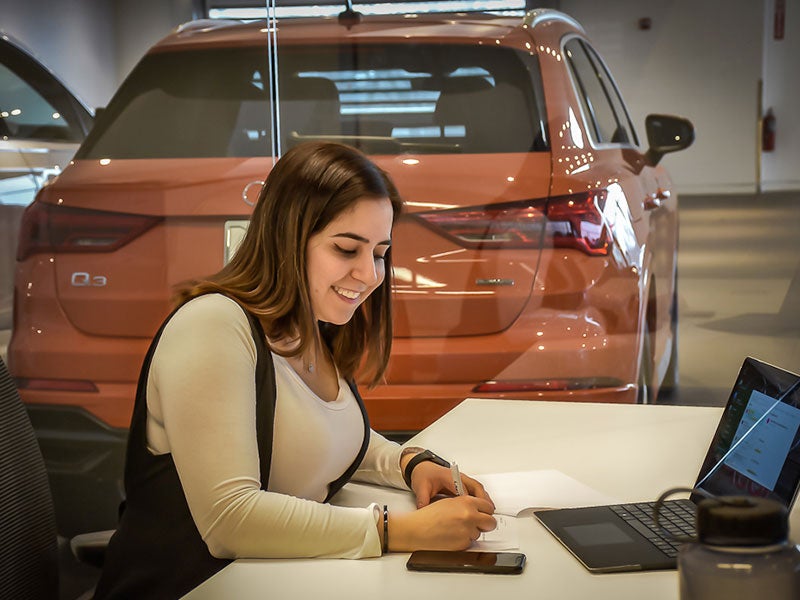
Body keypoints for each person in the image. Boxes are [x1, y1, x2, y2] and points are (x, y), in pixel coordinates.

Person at [94, 141, 496, 599]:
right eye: (347, 249)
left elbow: (320, 438)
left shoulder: (308, 327)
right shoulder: (213, 325)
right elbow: (231, 519)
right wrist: (400, 530)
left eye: (380, 252)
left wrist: (410, 463)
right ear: (286, 238)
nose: (370, 274)